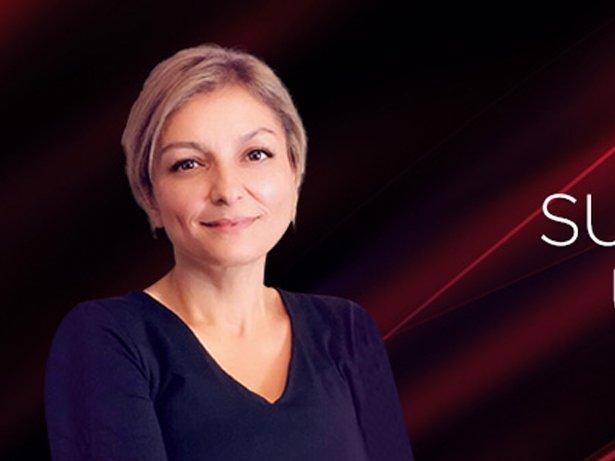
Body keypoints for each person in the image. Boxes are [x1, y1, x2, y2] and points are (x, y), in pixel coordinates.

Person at [44, 43, 415, 460]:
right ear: (149, 195)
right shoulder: (105, 340)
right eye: (188, 163)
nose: (227, 190)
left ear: (294, 172)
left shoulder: (346, 330)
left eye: (255, 154)